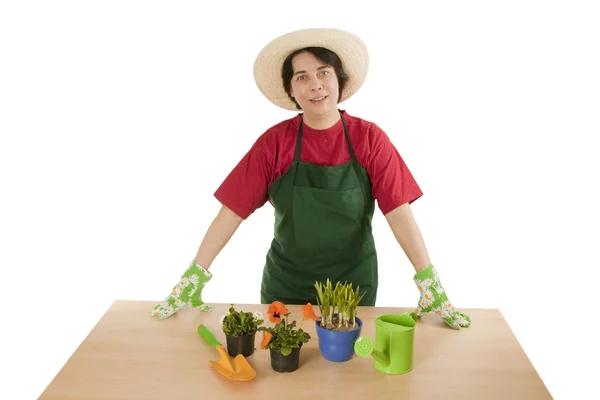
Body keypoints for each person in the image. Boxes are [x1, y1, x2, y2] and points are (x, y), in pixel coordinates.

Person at [151, 28, 471, 329]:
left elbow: (399, 214)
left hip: (352, 287)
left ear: (339, 81)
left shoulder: (370, 140)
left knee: (342, 374)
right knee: (283, 373)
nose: (315, 85)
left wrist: (428, 282)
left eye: (323, 73)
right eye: (301, 77)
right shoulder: (274, 144)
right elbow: (232, 211)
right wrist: (195, 276)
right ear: (291, 90)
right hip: (287, 284)